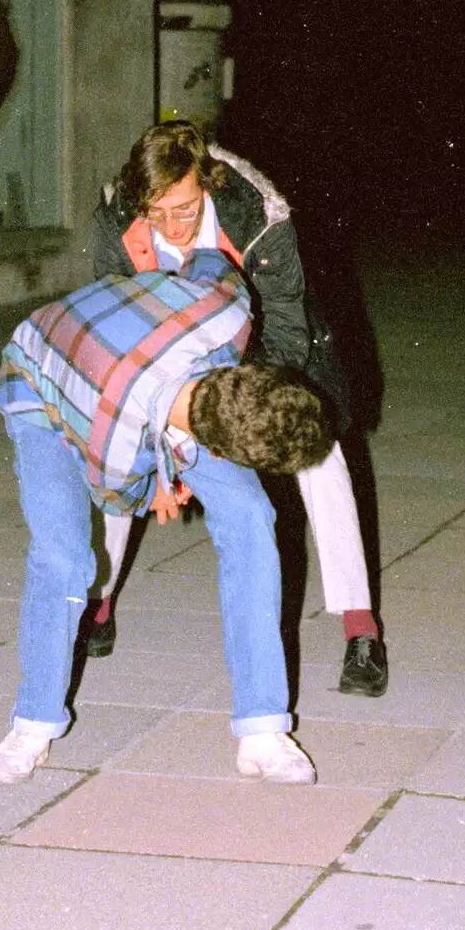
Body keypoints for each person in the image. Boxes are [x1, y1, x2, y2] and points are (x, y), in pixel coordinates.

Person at [0, 246, 330, 784]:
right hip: (41, 379)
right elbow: (118, 495)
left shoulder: (229, 314)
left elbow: (211, 260)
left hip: (141, 373)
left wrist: (150, 302)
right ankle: (32, 724)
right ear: (214, 447)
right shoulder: (116, 447)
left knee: (250, 514)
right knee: (65, 556)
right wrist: (159, 484)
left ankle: (263, 730)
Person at [87, 119, 387, 697]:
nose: (171, 227)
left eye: (184, 210)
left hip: (263, 351)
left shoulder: (259, 221)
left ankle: (360, 628)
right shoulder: (117, 218)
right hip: (165, 354)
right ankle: (99, 603)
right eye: (157, 213)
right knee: (115, 448)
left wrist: (239, 415)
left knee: (321, 460)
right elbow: (114, 322)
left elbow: (285, 331)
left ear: (208, 183)